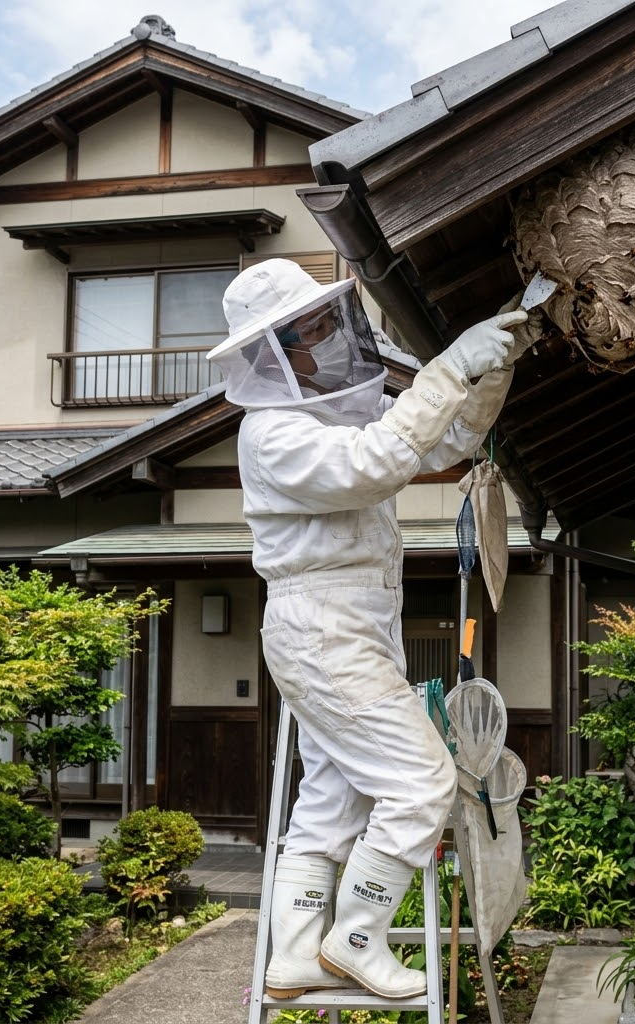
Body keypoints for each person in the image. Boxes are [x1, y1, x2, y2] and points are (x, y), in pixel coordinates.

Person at [206, 259, 537, 1000]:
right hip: (324, 628)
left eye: (328, 322)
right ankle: (357, 938)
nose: (327, 338)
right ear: (274, 351)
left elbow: (443, 443)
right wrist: (451, 365)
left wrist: (493, 367)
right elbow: (377, 465)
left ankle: (294, 954)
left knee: (333, 796)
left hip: (347, 626)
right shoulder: (274, 433)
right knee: (421, 779)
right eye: (309, 330)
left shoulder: (333, 412)